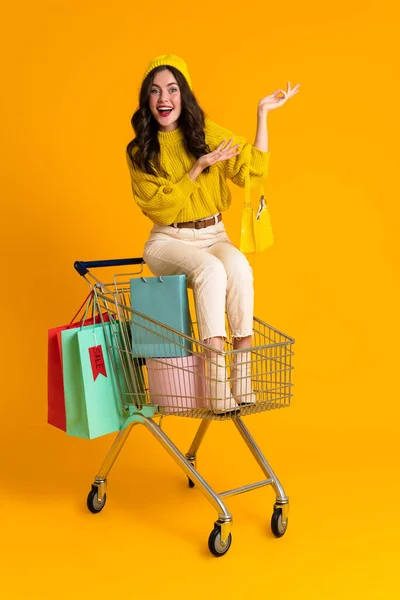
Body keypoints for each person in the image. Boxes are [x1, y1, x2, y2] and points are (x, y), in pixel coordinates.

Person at [126, 54, 299, 414]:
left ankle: (243, 381)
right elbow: (162, 209)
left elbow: (252, 170)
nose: (164, 99)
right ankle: (217, 388)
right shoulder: (141, 152)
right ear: (147, 100)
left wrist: (262, 115)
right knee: (210, 270)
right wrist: (198, 167)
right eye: (155, 91)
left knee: (237, 267)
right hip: (168, 240)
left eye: (172, 89)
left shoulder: (205, 132)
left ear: (183, 94)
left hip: (214, 234)